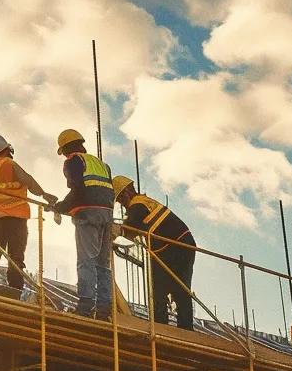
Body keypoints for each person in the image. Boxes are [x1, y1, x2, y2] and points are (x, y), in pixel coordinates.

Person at [111, 175, 195, 330]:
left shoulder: (138, 205)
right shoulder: (145, 203)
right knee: (170, 288)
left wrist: (114, 229)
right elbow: (132, 231)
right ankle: (180, 327)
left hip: (175, 246)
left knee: (170, 289)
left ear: (126, 193)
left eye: (121, 200)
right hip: (176, 246)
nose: (122, 204)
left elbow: (130, 226)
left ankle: (166, 327)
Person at [50, 129, 115, 319]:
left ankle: (85, 307)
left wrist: (61, 207)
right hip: (107, 214)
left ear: (65, 148)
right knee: (103, 264)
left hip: (88, 213)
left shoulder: (73, 161)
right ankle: (104, 309)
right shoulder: (101, 164)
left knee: (86, 260)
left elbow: (78, 189)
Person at [0, 133, 57, 289]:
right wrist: (44, 194)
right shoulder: (9, 164)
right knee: (16, 258)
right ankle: (15, 289)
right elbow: (27, 180)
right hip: (17, 219)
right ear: (6, 149)